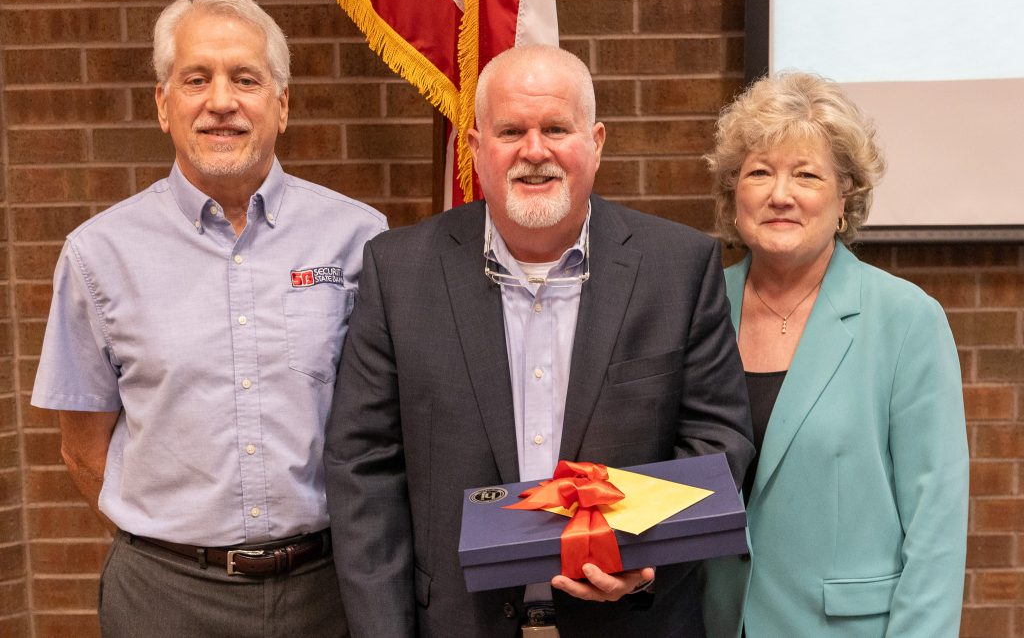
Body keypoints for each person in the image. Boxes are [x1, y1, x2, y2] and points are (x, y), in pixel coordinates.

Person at [323, 44, 754, 637]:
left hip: (631, 623)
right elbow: (363, 468)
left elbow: (717, 439)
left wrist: (642, 554)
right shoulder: (399, 272)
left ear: (596, 143)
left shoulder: (678, 267)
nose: (534, 151)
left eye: (556, 128)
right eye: (510, 131)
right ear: (476, 149)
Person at [31, 0, 386, 638]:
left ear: (282, 104)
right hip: (164, 600)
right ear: (164, 105)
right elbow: (82, 449)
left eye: (245, 79)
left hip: (330, 592)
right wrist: (177, 549)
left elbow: (388, 422)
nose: (221, 101)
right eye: (196, 79)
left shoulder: (360, 239)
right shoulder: (98, 254)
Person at [701, 72, 969, 637]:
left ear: (844, 195)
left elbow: (935, 526)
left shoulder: (906, 320)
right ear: (734, 192)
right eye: (759, 172)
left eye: (806, 174)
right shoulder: (697, 309)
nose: (781, 194)